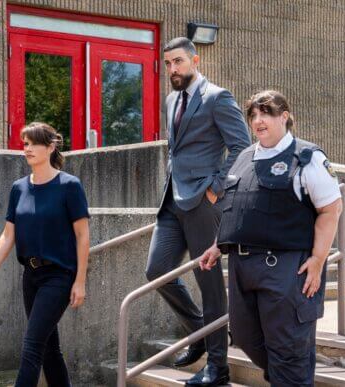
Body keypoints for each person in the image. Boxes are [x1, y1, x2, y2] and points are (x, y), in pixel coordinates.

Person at [199, 90, 343, 386]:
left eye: (266, 113)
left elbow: (331, 210)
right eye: (253, 114)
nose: (258, 120)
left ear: (285, 117)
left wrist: (318, 259)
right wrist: (217, 246)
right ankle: (286, 377)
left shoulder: (307, 158)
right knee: (243, 335)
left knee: (288, 348)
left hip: (287, 268)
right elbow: (236, 210)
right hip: (243, 267)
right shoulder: (243, 158)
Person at [145, 37, 251, 386]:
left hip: (204, 203)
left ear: (195, 60)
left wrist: (214, 189)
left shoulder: (217, 97)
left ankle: (218, 367)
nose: (172, 70)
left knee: (209, 284)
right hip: (172, 200)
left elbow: (241, 148)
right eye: (168, 64)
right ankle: (201, 333)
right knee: (157, 270)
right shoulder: (171, 99)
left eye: (178, 62)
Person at [0, 122, 90, 387]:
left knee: (32, 345)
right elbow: (8, 235)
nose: (26, 149)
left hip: (59, 276)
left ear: (50, 147)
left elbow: (83, 235)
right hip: (31, 275)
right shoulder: (19, 188)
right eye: (24, 143)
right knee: (49, 348)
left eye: (32, 143)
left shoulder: (69, 186)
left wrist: (80, 281)